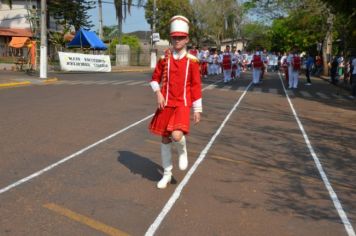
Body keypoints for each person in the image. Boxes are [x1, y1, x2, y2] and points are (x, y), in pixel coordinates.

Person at [149, 15, 202, 189]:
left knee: (177, 135)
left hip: (183, 103)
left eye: (181, 37)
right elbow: (154, 79)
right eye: (174, 37)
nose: (177, 40)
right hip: (166, 102)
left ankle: (182, 150)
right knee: (165, 138)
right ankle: (166, 173)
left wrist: (197, 109)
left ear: (187, 39)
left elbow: (195, 85)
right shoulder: (165, 59)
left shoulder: (192, 61)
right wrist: (158, 93)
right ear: (171, 38)